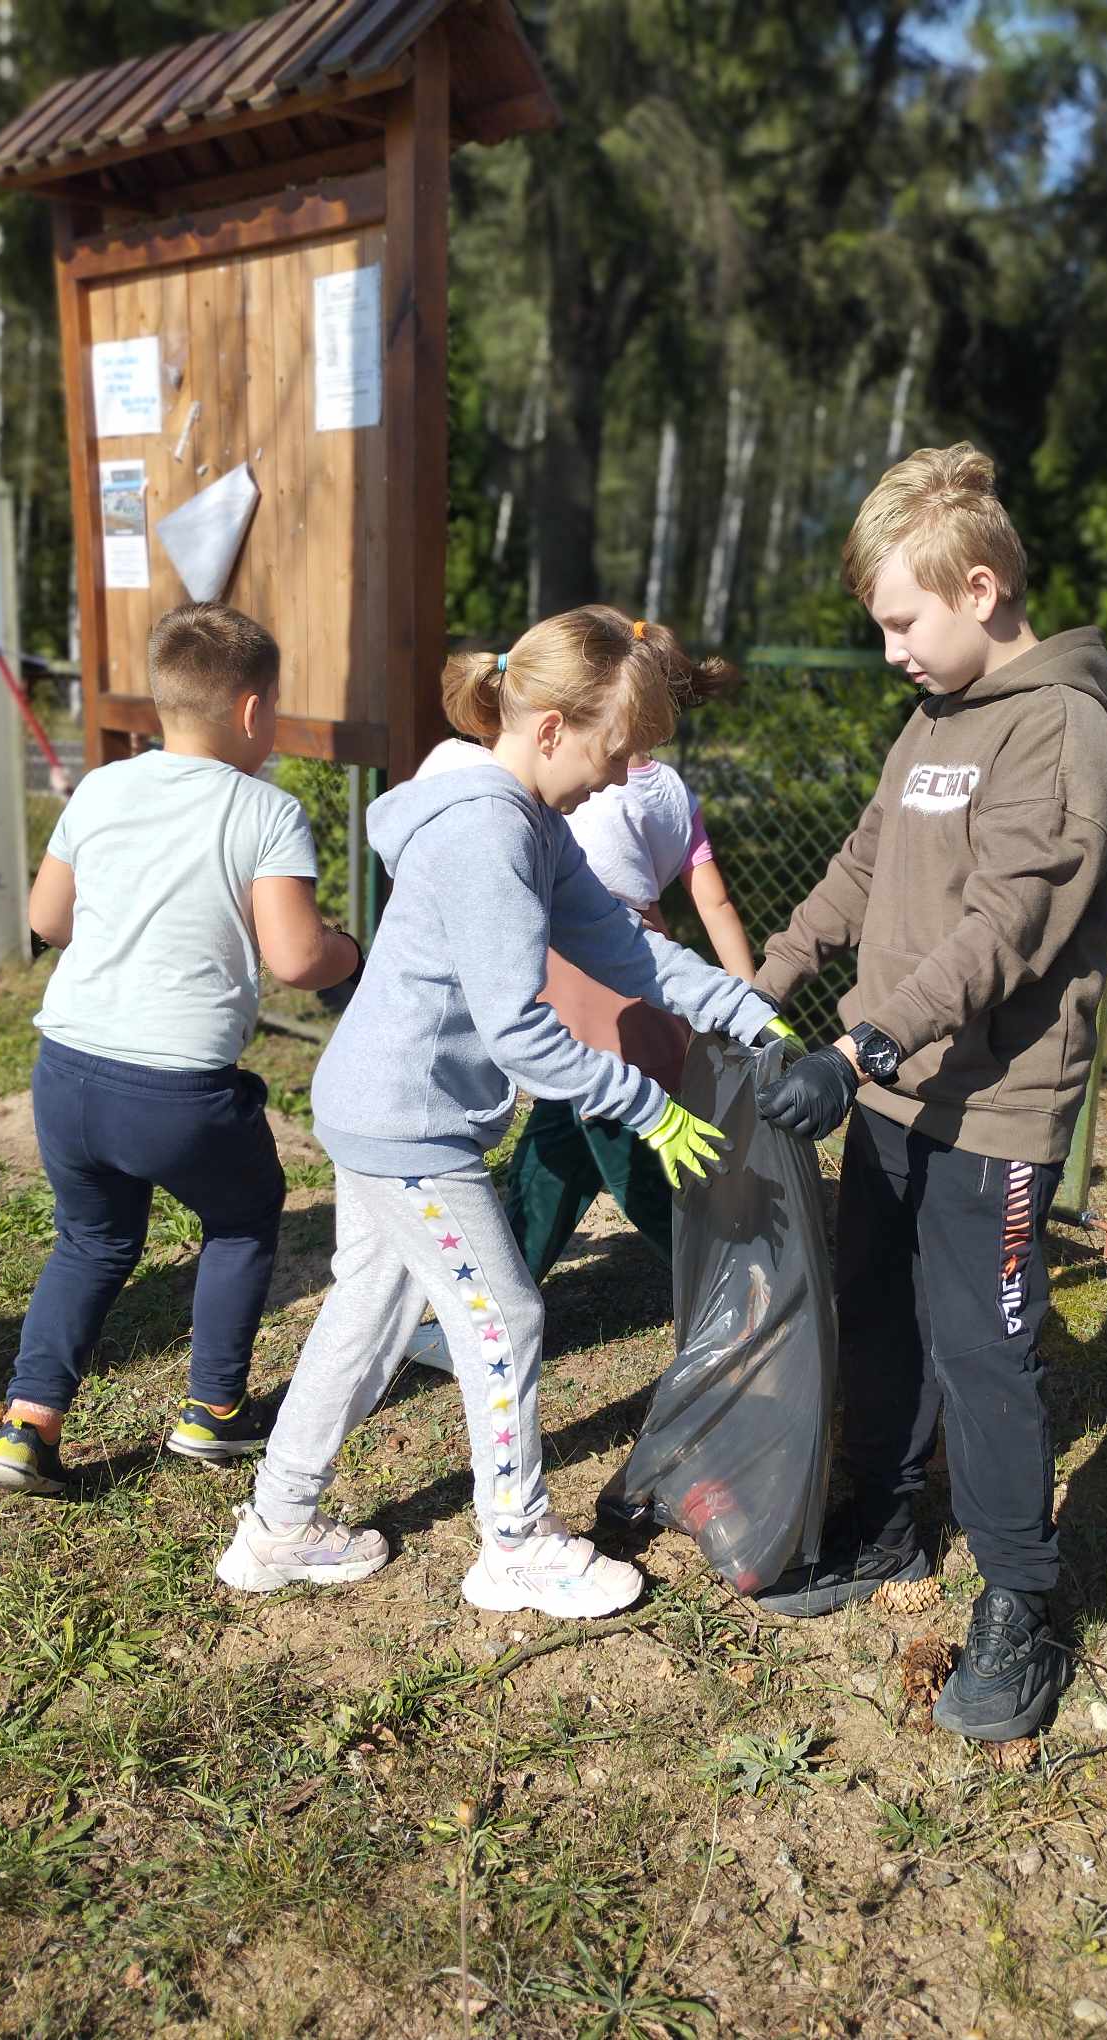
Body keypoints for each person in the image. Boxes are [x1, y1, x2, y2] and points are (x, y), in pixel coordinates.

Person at [216, 607, 788, 1618]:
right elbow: (519, 1031)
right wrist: (646, 1109)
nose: (620, 779)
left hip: (385, 1105)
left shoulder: (528, 821)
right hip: (406, 1122)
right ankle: (515, 1544)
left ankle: (278, 1524)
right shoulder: (489, 830)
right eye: (615, 752)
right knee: (506, 1314)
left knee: (369, 1308)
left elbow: (626, 949)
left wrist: (746, 1010)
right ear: (555, 729)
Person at [751, 443, 1107, 1744]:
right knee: (878, 1315)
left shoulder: (1063, 732)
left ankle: (1024, 1597)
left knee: (987, 1355)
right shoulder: (933, 720)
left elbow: (1006, 929)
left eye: (904, 622)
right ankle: (885, 1522)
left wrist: (861, 1046)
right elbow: (865, 862)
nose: (892, 651)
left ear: (980, 590)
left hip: (992, 1113)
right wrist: (773, 976)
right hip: (893, 1096)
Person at [0, 603, 363, 1497]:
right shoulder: (267, 810)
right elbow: (296, 958)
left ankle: (27, 1428)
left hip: (66, 1069)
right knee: (242, 1216)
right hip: (179, 1089)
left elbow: (47, 919)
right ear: (255, 711)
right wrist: (348, 952)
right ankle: (215, 1411)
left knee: (91, 1240)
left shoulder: (101, 788)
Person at [403, 666, 756, 1372]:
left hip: (593, 983)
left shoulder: (571, 778)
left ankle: (731, 1294)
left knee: (633, 1158)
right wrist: (743, 994)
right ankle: (483, 1314)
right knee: (557, 1149)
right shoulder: (667, 788)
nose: (611, 778)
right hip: (630, 978)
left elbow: (585, 917)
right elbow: (706, 901)